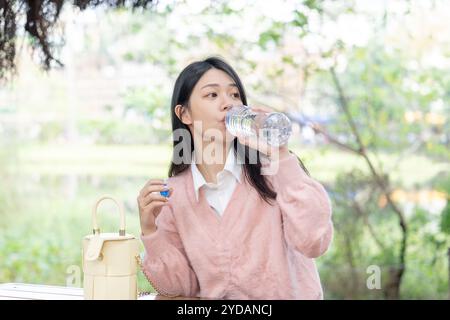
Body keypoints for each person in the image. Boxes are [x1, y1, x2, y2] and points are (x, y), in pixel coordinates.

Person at [137, 56, 333, 299]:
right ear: (184, 114)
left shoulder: (274, 172)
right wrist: (149, 229)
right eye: (212, 95)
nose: (228, 104)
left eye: (235, 95)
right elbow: (177, 289)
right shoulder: (173, 195)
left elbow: (314, 241)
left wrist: (280, 154)